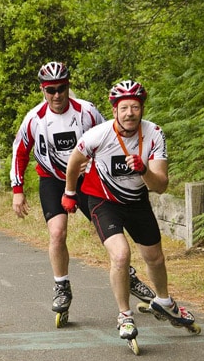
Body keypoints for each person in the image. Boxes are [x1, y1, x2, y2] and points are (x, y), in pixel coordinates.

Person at [11, 62, 154, 323]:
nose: (56, 95)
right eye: (50, 90)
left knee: (110, 231)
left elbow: (113, 136)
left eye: (61, 88)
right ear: (43, 90)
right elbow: (20, 150)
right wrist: (17, 189)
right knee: (57, 232)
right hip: (53, 180)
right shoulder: (34, 118)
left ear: (68, 86)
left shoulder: (86, 111)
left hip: (88, 178)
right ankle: (61, 286)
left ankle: (127, 274)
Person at [62, 79, 196, 342]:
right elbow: (74, 161)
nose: (129, 113)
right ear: (114, 111)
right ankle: (124, 315)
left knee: (155, 258)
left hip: (137, 201)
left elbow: (161, 185)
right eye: (124, 108)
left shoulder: (154, 134)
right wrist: (69, 193)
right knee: (121, 256)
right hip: (103, 201)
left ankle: (164, 301)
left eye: (135, 107)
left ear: (142, 109)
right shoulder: (98, 135)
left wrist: (143, 169)